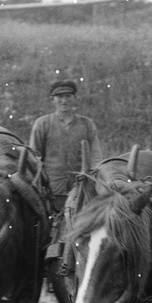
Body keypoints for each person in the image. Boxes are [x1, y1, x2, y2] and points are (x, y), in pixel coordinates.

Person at [27, 78, 101, 213]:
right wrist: (40, 185)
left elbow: (96, 156)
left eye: (68, 96)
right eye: (60, 97)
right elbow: (34, 158)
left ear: (75, 98)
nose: (64, 101)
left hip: (81, 189)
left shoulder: (87, 124)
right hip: (52, 190)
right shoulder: (42, 124)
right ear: (52, 100)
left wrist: (93, 180)